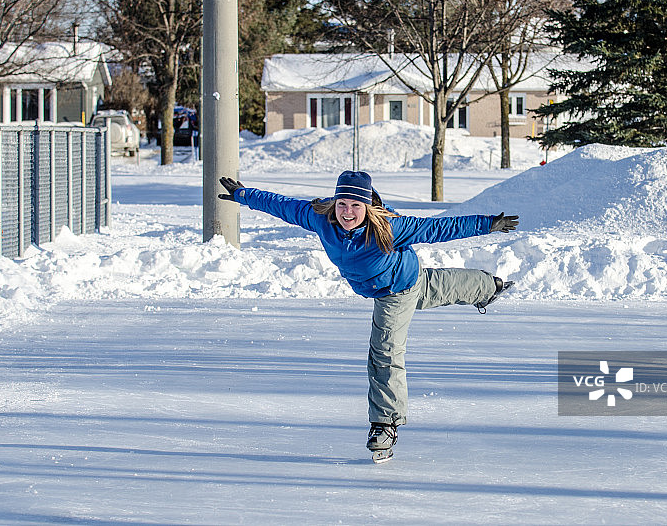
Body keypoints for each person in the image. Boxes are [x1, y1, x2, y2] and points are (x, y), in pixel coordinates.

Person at [218, 171, 518, 458]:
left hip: (395, 290)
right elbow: (282, 205)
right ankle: (488, 286)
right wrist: (245, 195)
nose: (348, 212)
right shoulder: (320, 219)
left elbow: (436, 229)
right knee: (435, 288)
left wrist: (488, 223)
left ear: (367, 206)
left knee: (385, 351)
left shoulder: (388, 228)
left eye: (355, 205)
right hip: (404, 279)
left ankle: (385, 424)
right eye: (342, 204)